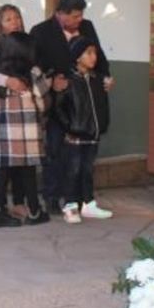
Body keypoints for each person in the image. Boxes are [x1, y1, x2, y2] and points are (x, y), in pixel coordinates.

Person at [30, 0, 113, 214]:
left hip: (85, 101)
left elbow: (99, 56)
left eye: (81, 15)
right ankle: (52, 197)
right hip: (59, 102)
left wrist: (106, 77)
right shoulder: (41, 31)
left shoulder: (87, 26)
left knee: (84, 156)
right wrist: (51, 80)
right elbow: (35, 65)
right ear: (60, 14)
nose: (79, 20)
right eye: (75, 16)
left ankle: (80, 200)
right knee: (55, 150)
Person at [0, 5, 50, 229]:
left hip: (27, 104)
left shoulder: (31, 44)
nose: (14, 22)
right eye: (8, 19)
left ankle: (33, 209)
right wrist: (9, 81)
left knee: (28, 159)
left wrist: (38, 84)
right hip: (3, 106)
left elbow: (39, 71)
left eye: (17, 17)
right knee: (3, 160)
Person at [54, 36, 113, 224]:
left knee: (87, 170)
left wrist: (102, 124)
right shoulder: (69, 81)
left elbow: (103, 105)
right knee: (73, 171)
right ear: (77, 57)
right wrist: (70, 126)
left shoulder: (97, 80)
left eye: (94, 52)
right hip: (75, 136)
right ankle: (70, 206)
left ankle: (88, 204)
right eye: (88, 53)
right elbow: (59, 107)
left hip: (92, 134)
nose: (93, 56)